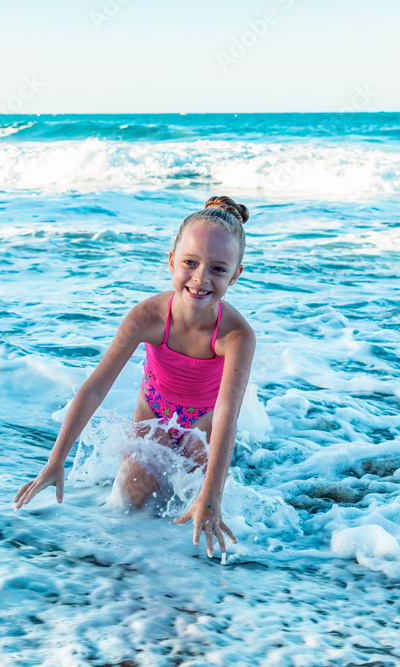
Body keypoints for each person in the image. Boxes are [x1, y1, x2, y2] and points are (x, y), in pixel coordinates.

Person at [13, 196, 256, 559]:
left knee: (191, 518)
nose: (201, 278)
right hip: (152, 414)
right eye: (190, 262)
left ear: (235, 275)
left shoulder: (236, 335)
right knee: (127, 511)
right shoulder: (148, 317)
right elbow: (95, 388)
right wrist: (56, 460)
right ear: (172, 259)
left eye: (218, 269)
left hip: (204, 424)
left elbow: (226, 413)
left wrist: (212, 494)